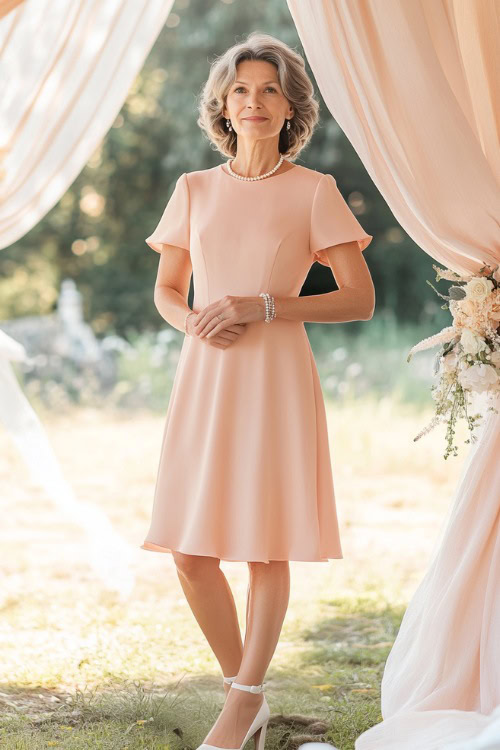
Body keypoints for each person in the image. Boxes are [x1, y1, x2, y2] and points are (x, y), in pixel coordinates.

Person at [140, 31, 375, 750]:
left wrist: (266, 305)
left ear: (290, 105)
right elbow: (168, 289)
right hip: (206, 377)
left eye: (270, 89)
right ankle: (248, 690)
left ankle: (241, 705)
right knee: (190, 551)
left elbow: (358, 297)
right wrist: (193, 323)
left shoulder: (315, 191)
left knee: (264, 548)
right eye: (241, 89)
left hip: (275, 378)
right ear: (222, 104)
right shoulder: (193, 189)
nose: (254, 101)